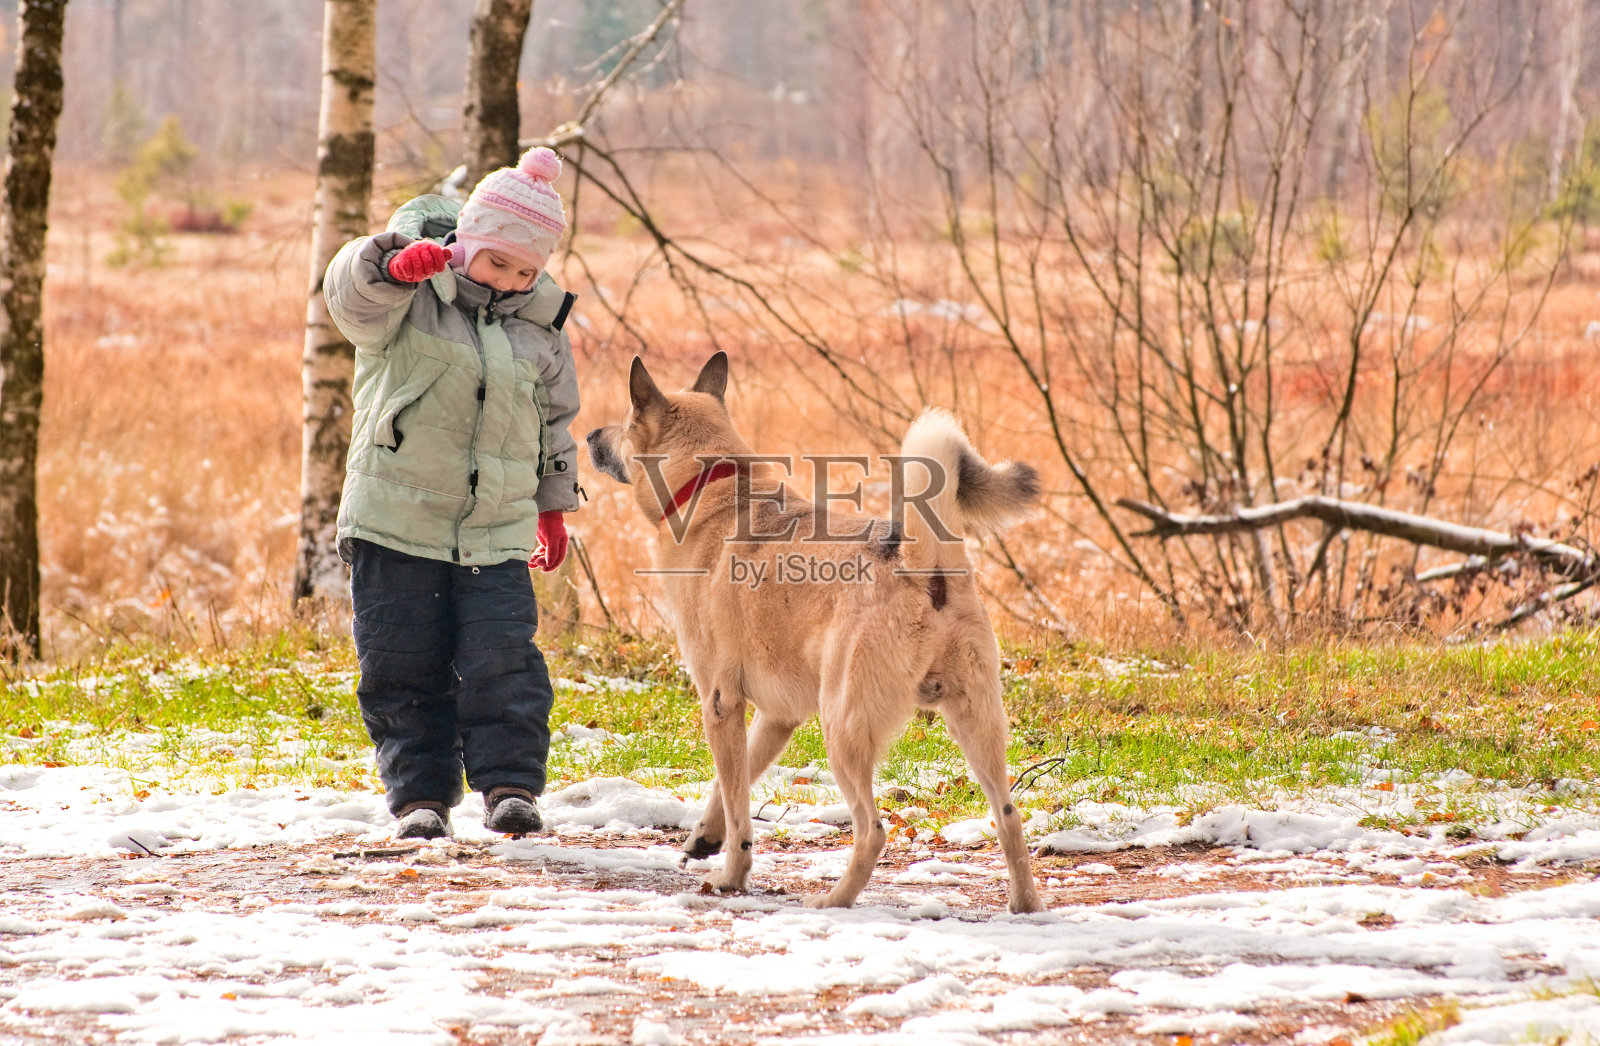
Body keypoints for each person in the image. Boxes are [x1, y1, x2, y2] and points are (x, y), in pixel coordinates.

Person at [324, 145, 582, 840]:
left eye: (527, 270)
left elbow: (553, 425)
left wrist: (552, 506)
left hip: (496, 528)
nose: (512, 280)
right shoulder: (406, 301)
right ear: (466, 241)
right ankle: (420, 797)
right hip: (395, 521)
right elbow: (348, 296)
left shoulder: (540, 329)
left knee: (505, 659)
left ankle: (511, 787)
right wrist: (390, 268)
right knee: (401, 663)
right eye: (498, 262)